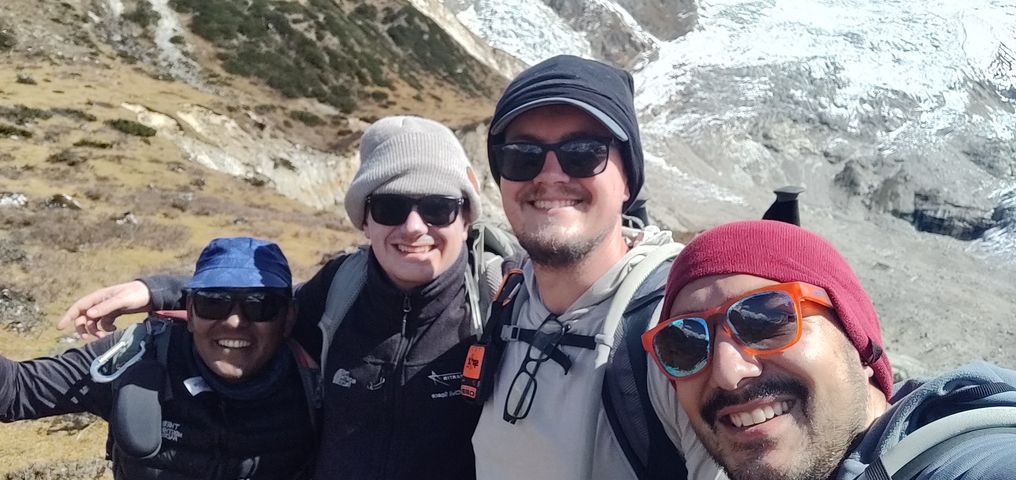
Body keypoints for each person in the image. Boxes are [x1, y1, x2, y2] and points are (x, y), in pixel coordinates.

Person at [58, 116, 488, 479]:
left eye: (438, 207)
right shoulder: (340, 289)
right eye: (390, 208)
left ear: (466, 217)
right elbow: (261, 303)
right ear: (365, 222)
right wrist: (157, 291)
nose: (414, 227)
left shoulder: (501, 298)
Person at [471, 54, 723, 480]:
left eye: (583, 152)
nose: (550, 175)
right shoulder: (504, 298)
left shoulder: (679, 330)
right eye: (522, 155)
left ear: (627, 180)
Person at [643, 219, 1016, 480]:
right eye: (683, 342)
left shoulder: (969, 461)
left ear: (858, 341)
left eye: (766, 320)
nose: (727, 372)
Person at [0, 236, 317, 479]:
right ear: (189, 312)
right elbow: (16, 390)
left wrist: (156, 289)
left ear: (289, 318)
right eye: (214, 302)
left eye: (260, 305)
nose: (235, 322)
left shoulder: (318, 373)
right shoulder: (137, 355)